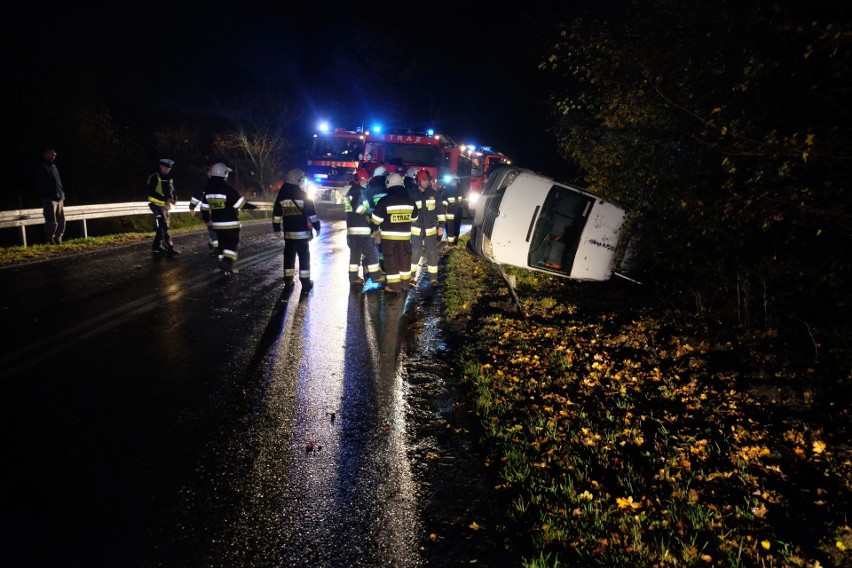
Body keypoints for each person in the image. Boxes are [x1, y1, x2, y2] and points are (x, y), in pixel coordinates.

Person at [200, 162, 256, 274]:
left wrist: (207, 220)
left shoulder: (208, 190)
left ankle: (222, 265)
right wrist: (253, 206)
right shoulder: (227, 188)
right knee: (232, 242)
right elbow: (239, 204)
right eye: (227, 173)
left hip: (216, 224)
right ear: (224, 174)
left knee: (222, 244)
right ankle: (227, 262)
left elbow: (204, 208)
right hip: (230, 223)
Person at [273, 168, 321, 294]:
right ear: (296, 181)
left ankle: (288, 280)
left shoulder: (281, 196)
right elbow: (312, 215)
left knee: (288, 257)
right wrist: (317, 227)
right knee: (304, 257)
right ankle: (305, 283)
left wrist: (277, 229)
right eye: (300, 180)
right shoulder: (303, 195)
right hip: (302, 235)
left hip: (288, 235)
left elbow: (276, 214)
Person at [371, 173, 418, 295]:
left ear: (388, 184)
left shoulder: (385, 200)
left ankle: (394, 287)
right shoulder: (410, 200)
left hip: (389, 239)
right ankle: (405, 285)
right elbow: (414, 217)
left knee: (391, 261)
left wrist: (373, 229)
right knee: (405, 260)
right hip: (405, 238)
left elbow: (376, 220)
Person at [344, 168, 384, 288]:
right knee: (372, 253)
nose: (367, 182)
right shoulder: (358, 192)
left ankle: (353, 277)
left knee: (355, 255)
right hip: (361, 229)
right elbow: (358, 208)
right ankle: (376, 276)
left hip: (352, 230)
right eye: (366, 180)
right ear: (361, 180)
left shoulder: (351, 192)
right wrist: (372, 211)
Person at [408, 169, 445, 286]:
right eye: (424, 180)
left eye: (428, 180)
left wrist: (441, 226)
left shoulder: (434, 194)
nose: (426, 182)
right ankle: (411, 277)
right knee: (416, 251)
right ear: (418, 181)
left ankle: (433, 278)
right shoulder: (411, 194)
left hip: (430, 228)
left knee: (432, 252)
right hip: (416, 228)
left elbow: (440, 211)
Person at [147, 158, 179, 256]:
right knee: (163, 226)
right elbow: (151, 192)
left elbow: (172, 190)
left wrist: (174, 198)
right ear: (161, 166)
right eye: (166, 167)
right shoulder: (154, 177)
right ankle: (169, 248)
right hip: (156, 205)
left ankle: (156, 247)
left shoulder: (169, 178)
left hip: (165, 206)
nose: (167, 169)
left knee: (163, 226)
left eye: (169, 168)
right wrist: (165, 199)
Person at [35, 147, 65, 245]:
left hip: (59, 197)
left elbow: (58, 182)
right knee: (51, 220)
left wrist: (62, 194)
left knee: (61, 219)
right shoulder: (42, 166)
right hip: (49, 198)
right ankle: (50, 238)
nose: (53, 156)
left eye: (54, 154)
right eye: (51, 154)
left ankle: (58, 237)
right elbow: (40, 183)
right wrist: (45, 195)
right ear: (45, 154)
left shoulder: (54, 166)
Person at [189, 162, 218, 254]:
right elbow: (197, 194)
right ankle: (216, 248)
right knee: (213, 228)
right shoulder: (205, 182)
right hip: (208, 211)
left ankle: (212, 243)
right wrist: (192, 206)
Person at [441, 174, 464, 246]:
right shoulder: (446, 192)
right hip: (450, 213)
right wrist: (444, 212)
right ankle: (450, 243)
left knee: (457, 227)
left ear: (457, 182)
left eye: (455, 181)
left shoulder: (460, 191)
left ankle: (455, 241)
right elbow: (444, 203)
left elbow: (464, 202)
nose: (454, 183)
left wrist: (468, 213)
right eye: (452, 181)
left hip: (458, 213)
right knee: (450, 228)